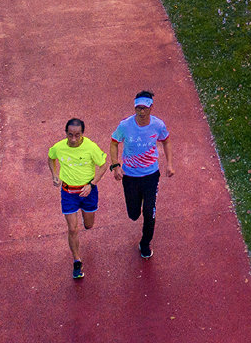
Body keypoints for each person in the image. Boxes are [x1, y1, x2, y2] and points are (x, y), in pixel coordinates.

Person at [109, 90, 172, 259]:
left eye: (144, 108)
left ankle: (145, 243)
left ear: (151, 108)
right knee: (133, 214)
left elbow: (166, 141)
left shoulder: (158, 125)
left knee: (149, 211)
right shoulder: (125, 126)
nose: (141, 112)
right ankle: (137, 207)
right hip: (130, 177)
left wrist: (169, 164)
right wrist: (115, 165)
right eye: (138, 108)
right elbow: (114, 143)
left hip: (151, 175)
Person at [47, 117, 107, 279]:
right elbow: (51, 157)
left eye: (77, 135)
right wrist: (54, 174)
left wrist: (92, 185)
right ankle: (77, 261)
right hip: (68, 193)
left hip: (88, 192)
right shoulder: (59, 147)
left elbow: (103, 165)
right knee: (73, 229)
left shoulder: (91, 147)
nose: (73, 139)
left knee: (88, 225)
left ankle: (84, 217)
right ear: (66, 133)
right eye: (70, 135)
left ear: (83, 134)